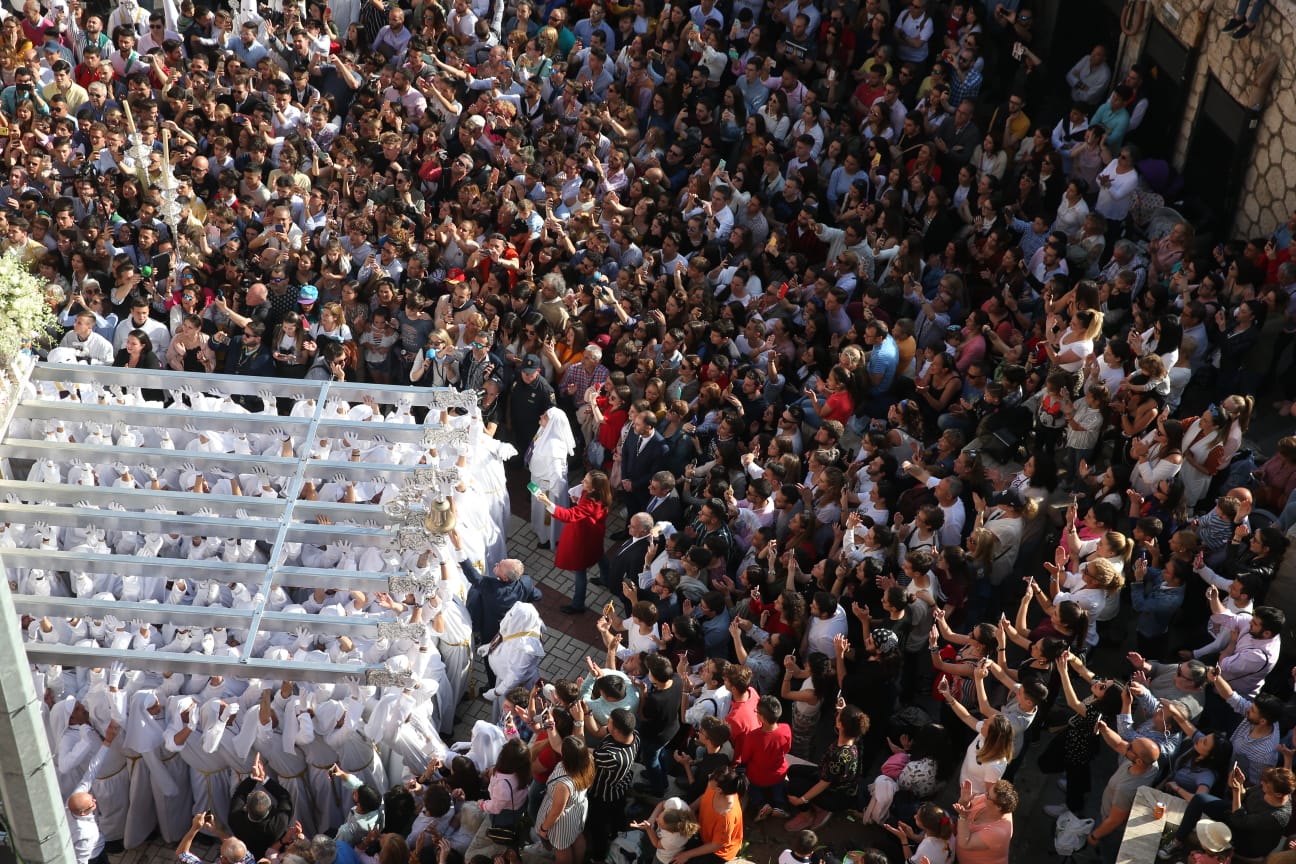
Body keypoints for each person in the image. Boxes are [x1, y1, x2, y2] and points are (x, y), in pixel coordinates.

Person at [536, 470, 613, 614]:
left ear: (593, 488)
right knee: (600, 555)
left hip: (583, 539)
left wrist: (548, 503)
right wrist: (578, 501)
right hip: (594, 536)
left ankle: (578, 605)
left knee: (580, 571)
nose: (582, 482)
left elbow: (569, 515)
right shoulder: (602, 494)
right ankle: (606, 579)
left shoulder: (590, 503)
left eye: (586, 482)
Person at [227, 754, 295, 859]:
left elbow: (239, 794)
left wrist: (253, 778)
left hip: (251, 856)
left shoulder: (235, 819)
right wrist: (264, 780)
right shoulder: (278, 824)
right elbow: (285, 798)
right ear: (269, 809)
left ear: (247, 808)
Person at [528, 406, 576, 550]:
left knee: (546, 515)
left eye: (545, 416)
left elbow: (556, 474)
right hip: (538, 481)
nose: (541, 416)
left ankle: (548, 538)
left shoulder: (554, 446)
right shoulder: (543, 431)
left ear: (552, 423)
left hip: (547, 488)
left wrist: (552, 495)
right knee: (537, 510)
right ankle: (539, 530)